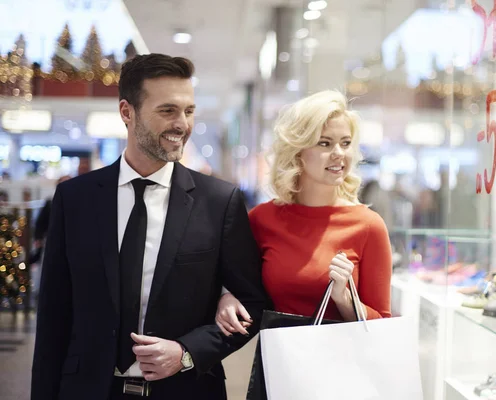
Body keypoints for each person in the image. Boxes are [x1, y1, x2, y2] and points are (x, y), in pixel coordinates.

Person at [31, 54, 267, 400]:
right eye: (167, 110)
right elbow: (53, 315)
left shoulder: (218, 202)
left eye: (188, 110)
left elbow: (251, 303)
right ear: (127, 112)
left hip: (184, 391)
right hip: (88, 389)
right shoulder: (75, 199)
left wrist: (187, 352)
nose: (182, 124)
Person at [214, 90, 392, 343]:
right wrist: (227, 297)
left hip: (344, 371)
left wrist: (345, 299)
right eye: (325, 143)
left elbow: (384, 327)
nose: (339, 153)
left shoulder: (368, 226)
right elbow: (240, 286)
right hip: (280, 364)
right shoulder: (263, 219)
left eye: (345, 142)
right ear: (297, 151)